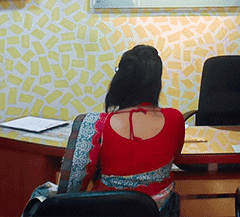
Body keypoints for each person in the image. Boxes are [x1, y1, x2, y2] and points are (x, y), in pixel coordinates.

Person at [32, 45, 185, 217]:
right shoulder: (175, 118)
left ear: (119, 80)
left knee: (42, 195)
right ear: (157, 84)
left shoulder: (92, 123)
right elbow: (176, 158)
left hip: (103, 212)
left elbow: (70, 189)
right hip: (157, 212)